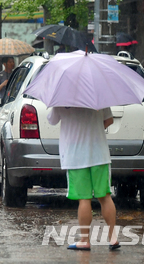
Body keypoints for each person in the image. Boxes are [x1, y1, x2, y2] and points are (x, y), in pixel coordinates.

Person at [47, 107, 119, 251]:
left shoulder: (62, 99)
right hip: (99, 153)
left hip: (75, 156)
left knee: (84, 199)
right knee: (105, 196)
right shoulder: (97, 93)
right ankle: (113, 238)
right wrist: (93, 130)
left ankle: (85, 240)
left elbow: (52, 120)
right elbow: (109, 120)